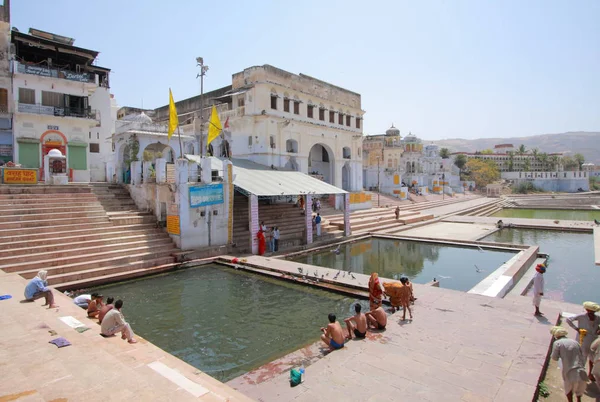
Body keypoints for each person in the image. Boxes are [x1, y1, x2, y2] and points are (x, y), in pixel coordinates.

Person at [550, 326, 587, 402]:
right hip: (582, 371)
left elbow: (554, 358)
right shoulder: (575, 342)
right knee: (580, 390)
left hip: (570, 371)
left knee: (568, 389)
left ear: (556, 336)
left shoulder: (557, 343)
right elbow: (581, 355)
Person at [566, 301, 600, 380]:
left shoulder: (598, 318)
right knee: (582, 357)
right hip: (583, 339)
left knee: (592, 358)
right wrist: (577, 329)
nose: (592, 313)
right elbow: (568, 320)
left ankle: (590, 374)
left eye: (593, 312)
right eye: (590, 311)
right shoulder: (581, 316)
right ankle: (579, 375)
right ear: (587, 310)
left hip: (593, 340)